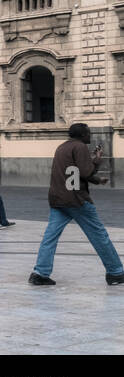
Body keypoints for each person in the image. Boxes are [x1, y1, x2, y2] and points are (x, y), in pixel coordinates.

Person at [29, 123, 124, 287]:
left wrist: (94, 166)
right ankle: (115, 272)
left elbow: (75, 170)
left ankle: (40, 273)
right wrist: (98, 167)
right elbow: (86, 173)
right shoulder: (80, 147)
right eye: (88, 133)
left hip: (58, 198)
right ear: (82, 135)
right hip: (76, 199)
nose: (90, 136)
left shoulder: (62, 147)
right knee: (99, 235)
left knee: (50, 236)